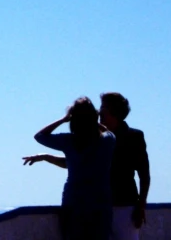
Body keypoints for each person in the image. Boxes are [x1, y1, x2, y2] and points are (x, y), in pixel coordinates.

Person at [24, 92, 150, 240]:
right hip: (103, 204)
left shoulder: (133, 137)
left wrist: (141, 206)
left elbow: (144, 174)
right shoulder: (107, 139)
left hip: (122, 204)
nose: (99, 110)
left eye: (103, 106)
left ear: (112, 111)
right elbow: (77, 162)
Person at [33, 97, 116, 240]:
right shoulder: (108, 141)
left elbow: (40, 136)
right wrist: (94, 121)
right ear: (94, 117)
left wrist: (63, 119)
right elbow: (107, 132)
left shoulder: (68, 141)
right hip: (100, 203)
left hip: (74, 202)